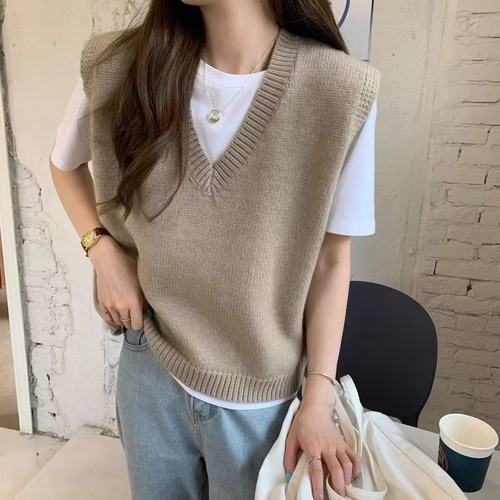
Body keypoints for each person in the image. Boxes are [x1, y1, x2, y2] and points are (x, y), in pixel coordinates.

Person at [49, 1, 380, 499]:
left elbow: (330, 262)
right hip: (150, 361)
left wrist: (319, 395)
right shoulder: (117, 65)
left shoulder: (341, 89)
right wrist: (102, 252)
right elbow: (64, 165)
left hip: (260, 396)